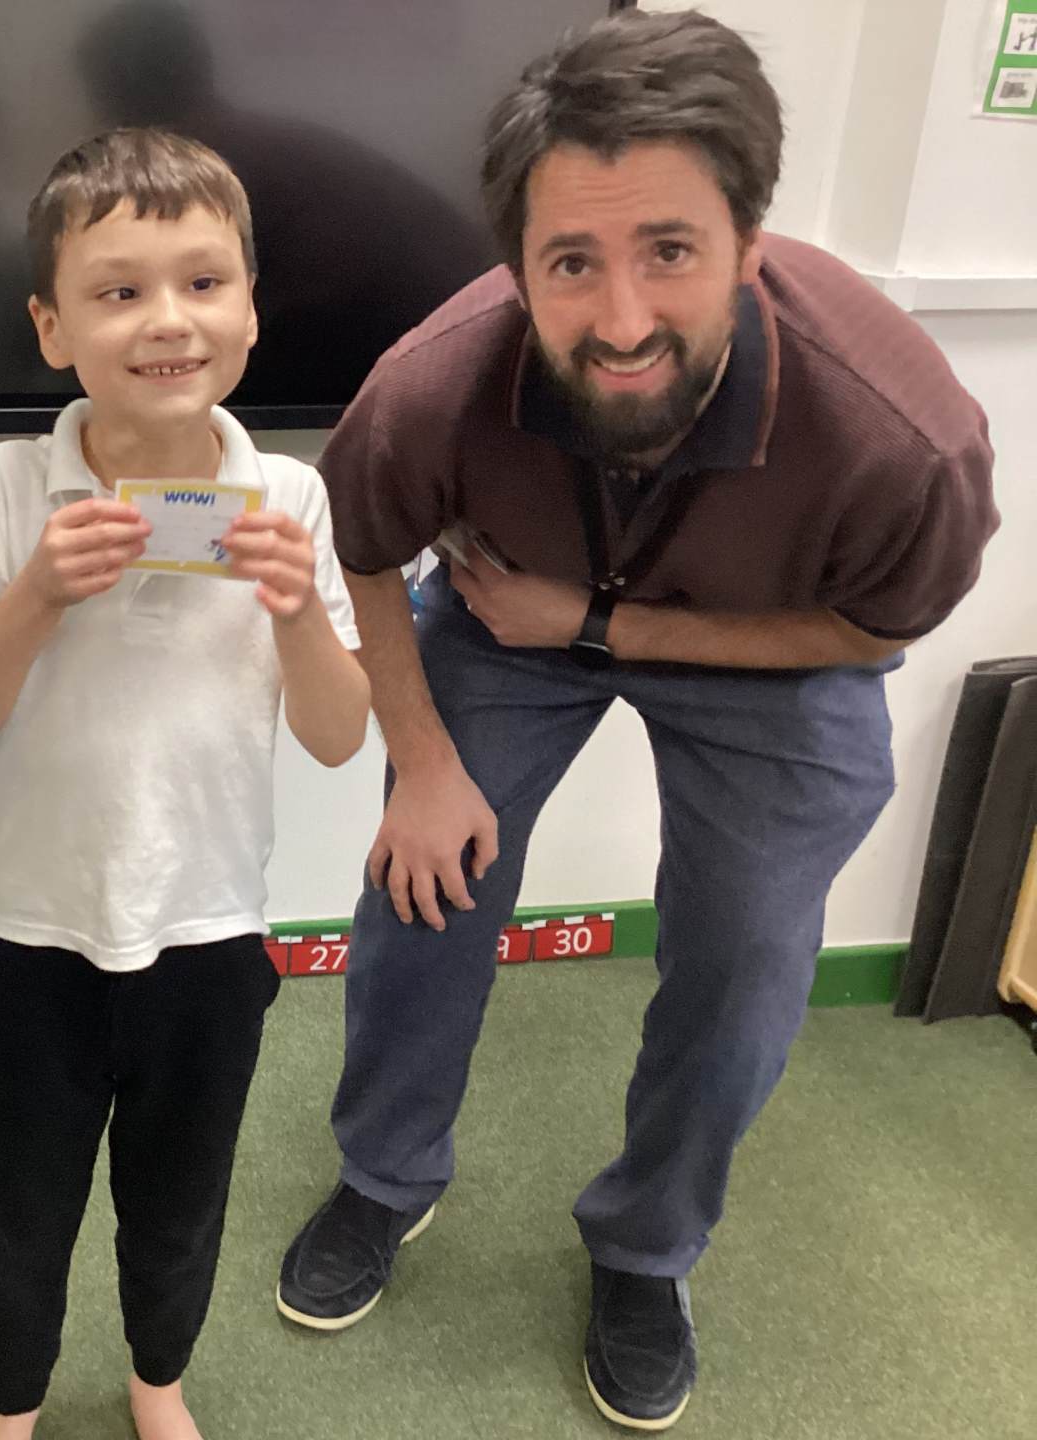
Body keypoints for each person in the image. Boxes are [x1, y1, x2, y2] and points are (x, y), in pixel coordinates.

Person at [273, 11, 998, 1432]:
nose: (618, 320)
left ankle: (648, 1247)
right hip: (505, 614)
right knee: (425, 882)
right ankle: (383, 1175)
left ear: (749, 240)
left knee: (746, 958)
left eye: (670, 249)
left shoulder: (907, 441)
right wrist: (420, 763)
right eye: (570, 263)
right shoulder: (433, 384)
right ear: (516, 263)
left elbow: (874, 632)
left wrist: (600, 626)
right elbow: (363, 555)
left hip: (771, 642)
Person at [0, 129, 369, 1440]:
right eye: (119, 291)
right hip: (36, 938)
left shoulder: (291, 496)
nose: (168, 320)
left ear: (251, 310)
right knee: (21, 1204)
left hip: (212, 937)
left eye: (203, 282)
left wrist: (299, 611)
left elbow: (339, 736)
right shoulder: (9, 485)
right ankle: (10, 1402)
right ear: (52, 328)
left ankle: (157, 1378)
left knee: (179, 1203)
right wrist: (37, 594)